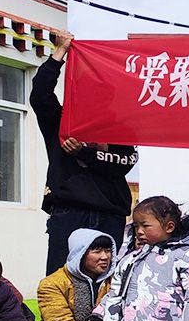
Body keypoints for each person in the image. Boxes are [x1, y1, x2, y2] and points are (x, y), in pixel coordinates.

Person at [28, 32, 138, 274]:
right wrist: (61, 52)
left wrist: (86, 152)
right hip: (69, 211)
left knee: (108, 280)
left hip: (109, 213)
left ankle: (101, 315)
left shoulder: (118, 129)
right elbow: (40, 95)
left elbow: (125, 161)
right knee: (62, 278)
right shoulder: (60, 121)